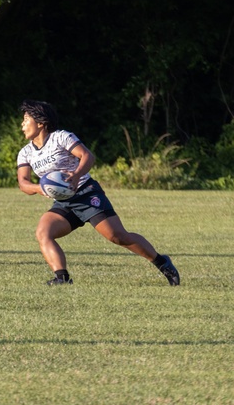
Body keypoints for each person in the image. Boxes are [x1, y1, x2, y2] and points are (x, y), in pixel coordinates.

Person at [15, 99, 180, 286]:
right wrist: (40, 188)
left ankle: (161, 262)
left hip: (86, 193)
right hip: (64, 202)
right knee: (43, 233)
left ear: (40, 122)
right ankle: (61, 278)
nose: (22, 125)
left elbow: (87, 156)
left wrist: (77, 175)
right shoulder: (26, 152)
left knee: (117, 236)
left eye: (25, 119)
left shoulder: (61, 137)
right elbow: (23, 183)